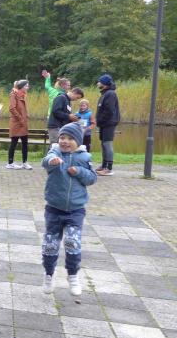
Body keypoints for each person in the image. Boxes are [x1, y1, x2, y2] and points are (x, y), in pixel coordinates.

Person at [41, 122, 97, 296]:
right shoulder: (55, 152)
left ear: (78, 141)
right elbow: (45, 162)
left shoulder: (84, 157)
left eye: (70, 138)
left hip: (75, 210)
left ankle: (73, 275)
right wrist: (52, 161)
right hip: (54, 209)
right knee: (50, 244)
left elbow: (92, 178)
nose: (65, 141)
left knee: (72, 242)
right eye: (62, 137)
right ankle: (49, 274)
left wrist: (79, 171)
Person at [95, 74, 120, 176]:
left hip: (109, 123)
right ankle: (103, 165)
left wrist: (101, 120)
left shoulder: (110, 94)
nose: (98, 83)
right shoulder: (104, 93)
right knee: (103, 144)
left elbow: (109, 111)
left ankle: (109, 168)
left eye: (99, 82)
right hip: (103, 124)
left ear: (104, 84)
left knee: (107, 144)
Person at [7, 79, 32, 170]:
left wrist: (26, 115)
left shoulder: (23, 95)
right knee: (14, 143)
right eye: (26, 86)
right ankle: (10, 163)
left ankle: (25, 162)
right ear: (21, 87)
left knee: (25, 143)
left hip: (23, 123)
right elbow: (12, 108)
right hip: (17, 123)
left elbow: (21, 108)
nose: (28, 87)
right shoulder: (13, 94)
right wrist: (21, 118)